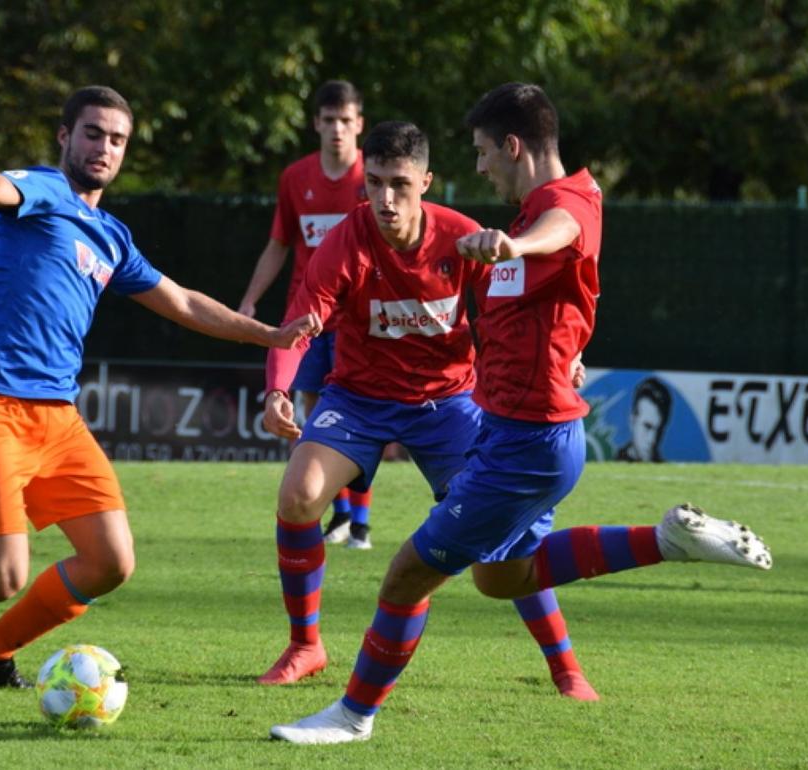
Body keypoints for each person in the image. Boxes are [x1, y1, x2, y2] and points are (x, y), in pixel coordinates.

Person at [270, 83, 773, 744]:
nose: (480, 167)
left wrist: (518, 247)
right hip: (484, 425)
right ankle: (665, 542)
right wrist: (569, 341)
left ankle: (354, 715)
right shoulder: (518, 216)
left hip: (510, 433)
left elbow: (566, 232)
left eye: (483, 153)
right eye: (375, 184)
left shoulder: (555, 209)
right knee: (503, 573)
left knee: (410, 574)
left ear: (510, 146)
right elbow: (557, 298)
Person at [0, 86, 319, 688]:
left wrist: (269, 335)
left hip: (56, 416)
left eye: (117, 139)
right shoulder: (46, 191)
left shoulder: (112, 236)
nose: (104, 147)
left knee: (111, 562)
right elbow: (0, 187)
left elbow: (182, 302)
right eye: (93, 133)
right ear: (65, 136)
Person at [257, 121, 594, 700]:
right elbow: (299, 323)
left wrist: (569, 357)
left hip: (448, 403)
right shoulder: (343, 242)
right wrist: (277, 389)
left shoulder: (462, 238)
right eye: (375, 183)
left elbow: (521, 313)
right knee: (298, 495)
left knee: (504, 529)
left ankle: (565, 667)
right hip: (357, 400)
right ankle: (305, 646)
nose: (385, 199)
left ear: (426, 182)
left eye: (400, 185)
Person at [238, 80, 376, 549]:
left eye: (346, 120)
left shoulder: (373, 179)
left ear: (359, 124)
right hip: (308, 319)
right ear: (316, 123)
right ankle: (340, 515)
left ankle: (361, 522)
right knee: (317, 419)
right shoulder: (296, 178)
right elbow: (279, 244)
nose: (338, 129)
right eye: (330, 120)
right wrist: (251, 299)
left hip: (358, 319)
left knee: (361, 415)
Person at [617, 376, 673, 462]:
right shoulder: (609, 463)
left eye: (659, 430)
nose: (652, 439)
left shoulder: (667, 469)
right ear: (632, 421)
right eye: (647, 427)